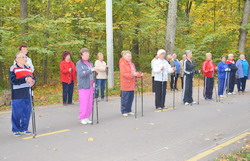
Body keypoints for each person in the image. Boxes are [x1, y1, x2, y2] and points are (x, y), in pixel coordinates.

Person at [9, 52, 36, 136]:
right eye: (22, 57)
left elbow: (33, 78)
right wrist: (25, 79)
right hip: (17, 93)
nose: (24, 59)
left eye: (25, 57)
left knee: (27, 111)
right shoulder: (13, 68)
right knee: (17, 112)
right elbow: (13, 81)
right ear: (16, 59)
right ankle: (15, 129)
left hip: (27, 92)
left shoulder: (28, 68)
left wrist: (33, 81)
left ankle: (24, 128)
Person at [76, 48, 96, 125]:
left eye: (88, 52)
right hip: (84, 85)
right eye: (85, 53)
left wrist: (95, 71)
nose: (87, 54)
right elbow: (81, 74)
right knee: (84, 102)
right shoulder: (79, 63)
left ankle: (87, 116)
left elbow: (92, 73)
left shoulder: (90, 63)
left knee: (89, 102)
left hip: (91, 84)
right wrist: (91, 70)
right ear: (81, 55)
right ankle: (82, 117)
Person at [119, 50, 142, 117]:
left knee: (130, 97)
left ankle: (129, 110)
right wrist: (133, 74)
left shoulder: (132, 64)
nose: (129, 57)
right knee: (125, 98)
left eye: (130, 56)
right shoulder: (123, 64)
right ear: (124, 56)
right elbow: (124, 74)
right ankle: (124, 110)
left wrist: (139, 75)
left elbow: (134, 72)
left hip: (132, 83)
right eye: (128, 56)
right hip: (125, 83)